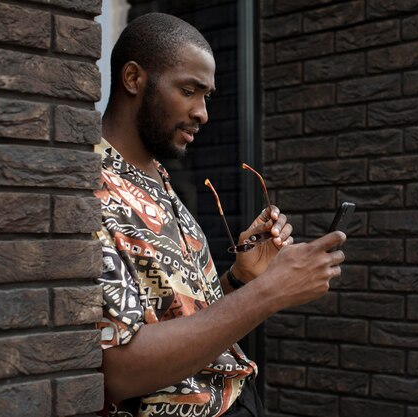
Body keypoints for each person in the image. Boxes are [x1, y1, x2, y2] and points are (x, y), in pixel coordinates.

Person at [95, 12, 346, 417]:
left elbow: (178, 320)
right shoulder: (91, 190)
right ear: (133, 79)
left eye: (206, 96)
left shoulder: (155, 176)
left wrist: (239, 279)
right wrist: (271, 292)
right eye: (189, 90)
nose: (202, 113)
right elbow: (116, 372)